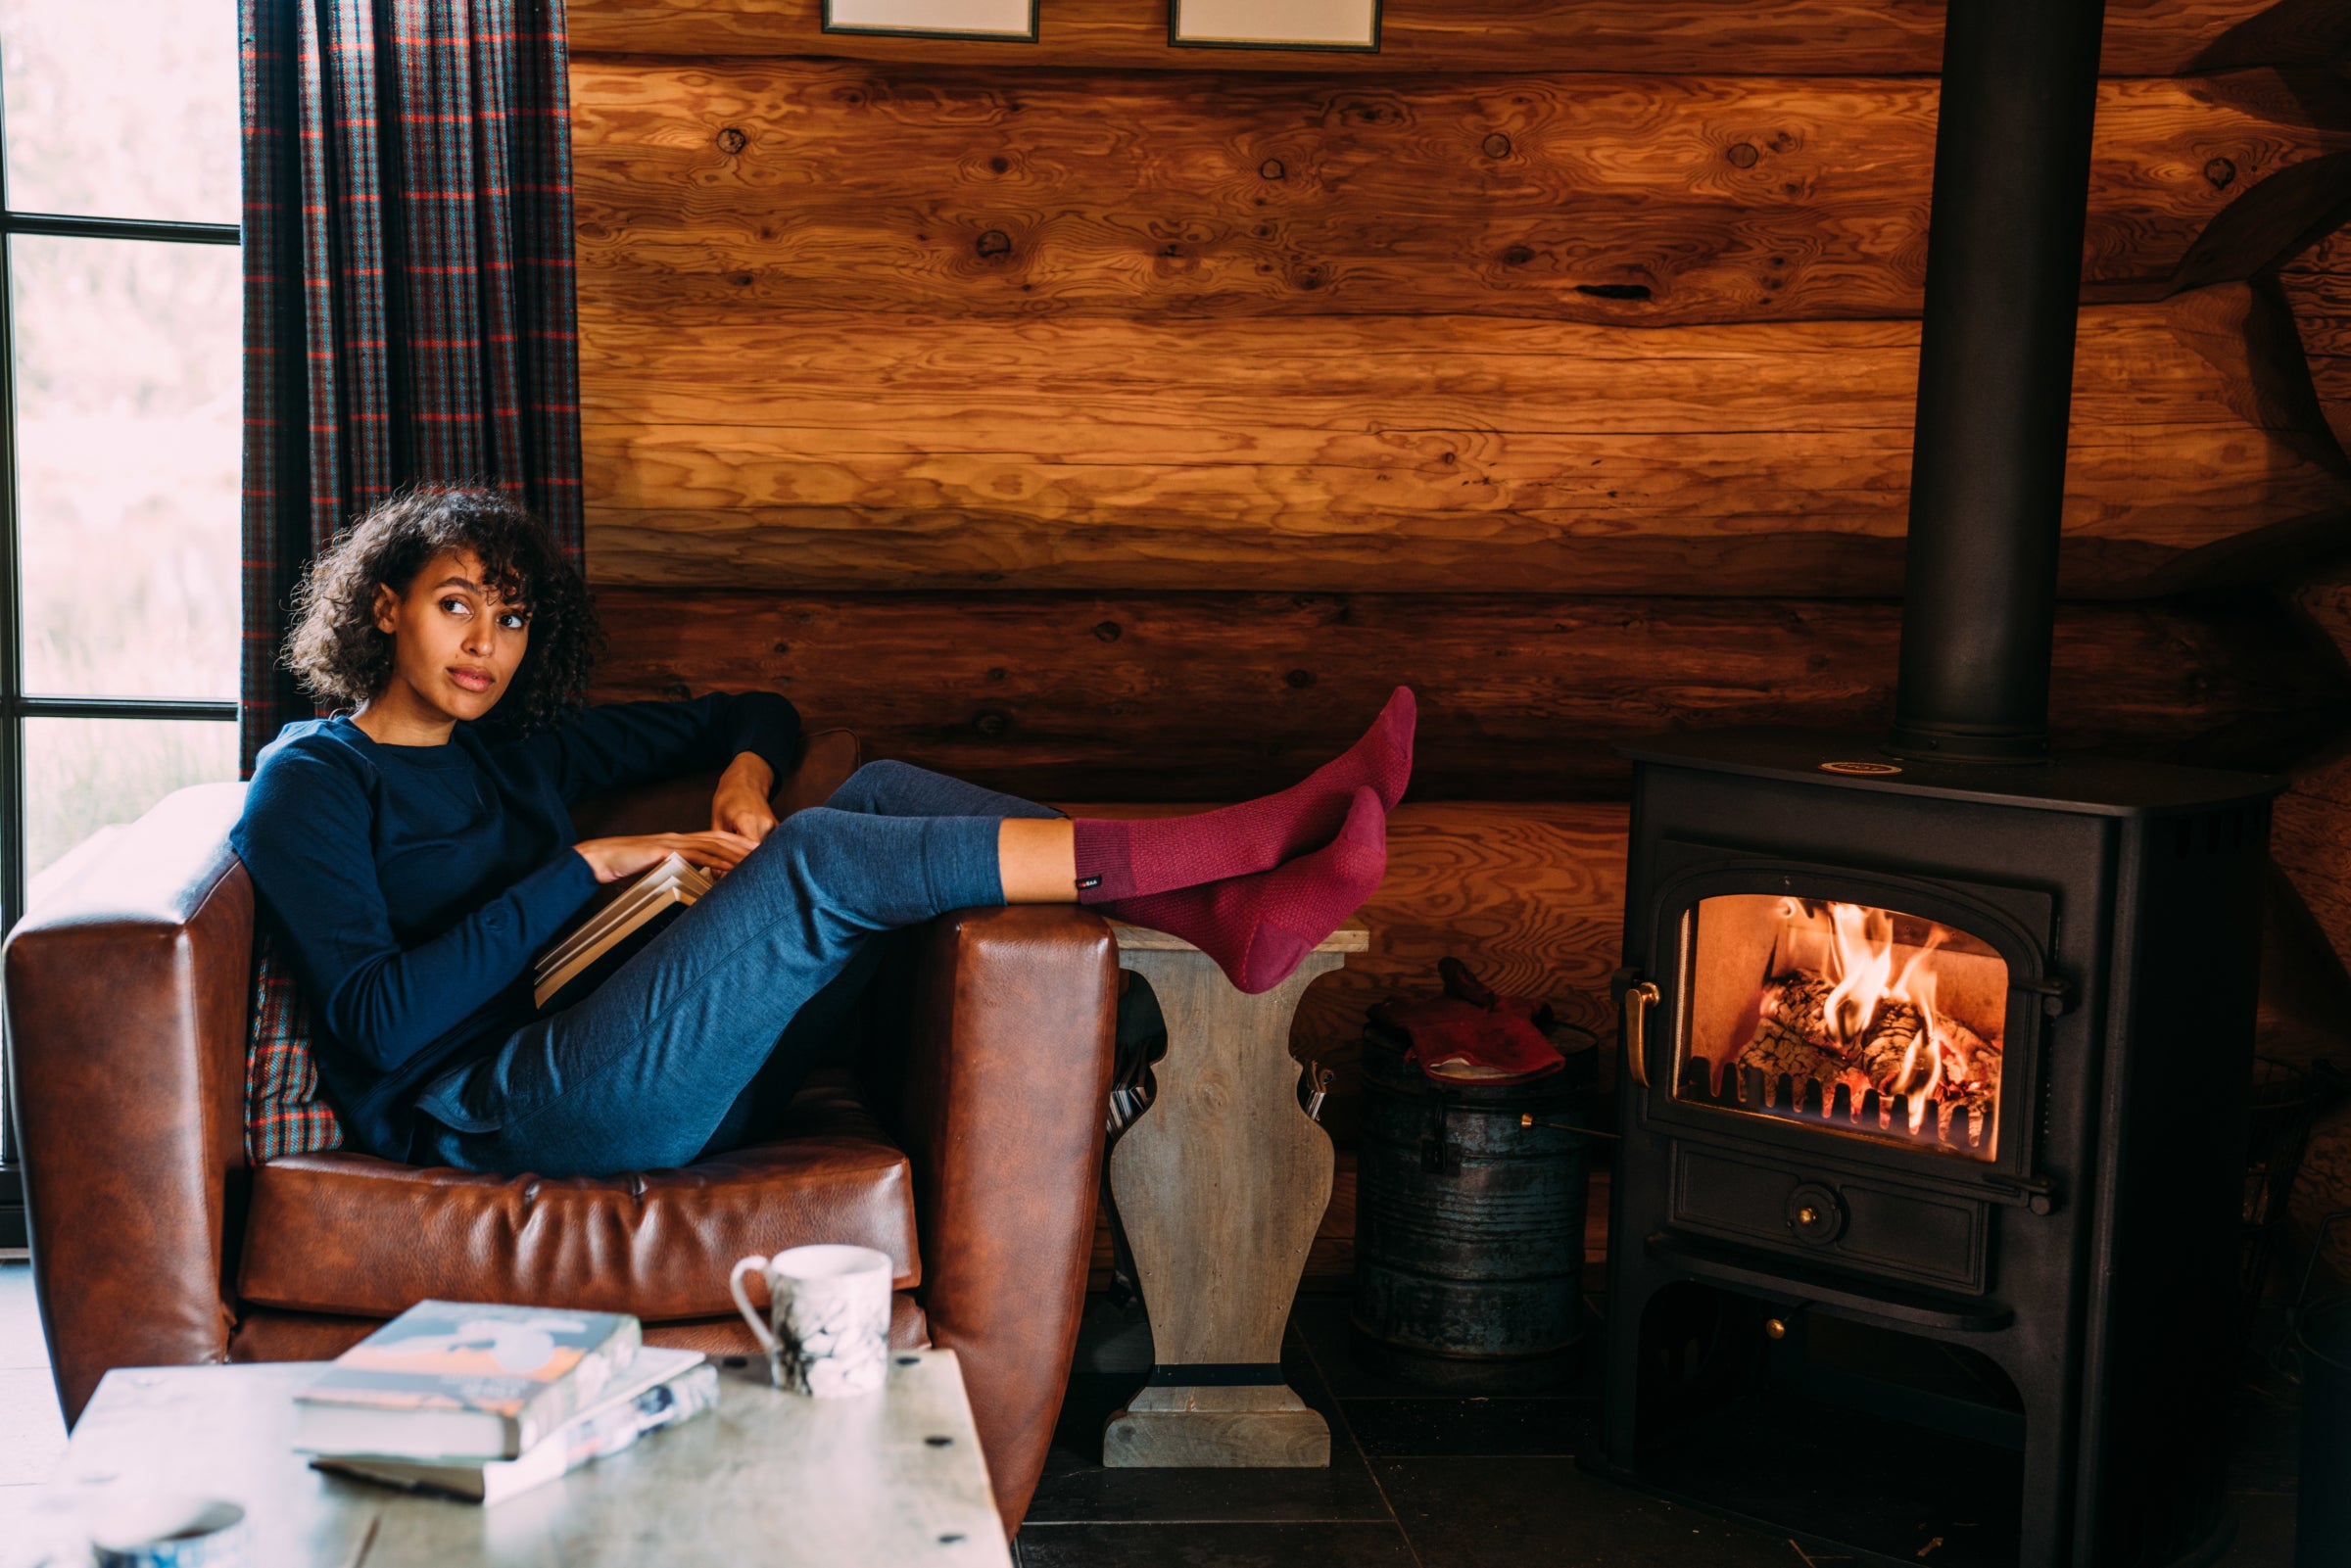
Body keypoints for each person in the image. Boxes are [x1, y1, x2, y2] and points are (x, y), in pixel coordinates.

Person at [232, 488, 1414, 1179]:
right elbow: (379, 1019)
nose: (485, 642)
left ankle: (1214, 913)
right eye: (454, 606)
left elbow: (760, 712)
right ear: (382, 607)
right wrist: (587, 866)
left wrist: (746, 784)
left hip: (655, 1056)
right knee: (821, 862)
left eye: (511, 615)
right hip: (513, 1106)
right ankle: (1233, 851)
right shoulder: (311, 780)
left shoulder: (518, 751)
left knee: (883, 786)